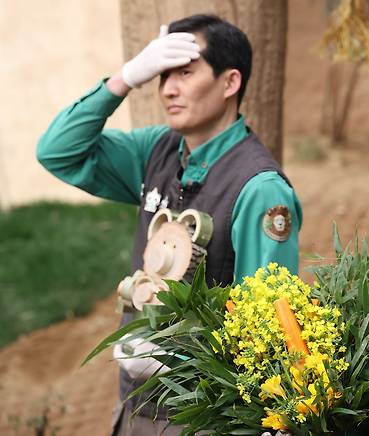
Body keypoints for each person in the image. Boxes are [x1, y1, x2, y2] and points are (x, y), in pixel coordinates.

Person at [36, 14, 302, 436]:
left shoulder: (259, 189)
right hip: (135, 404)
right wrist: (124, 79)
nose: (168, 89)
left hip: (203, 419)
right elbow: (59, 152)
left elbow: (266, 323)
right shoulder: (155, 151)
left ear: (230, 83)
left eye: (185, 72)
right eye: (160, 75)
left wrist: (179, 358)